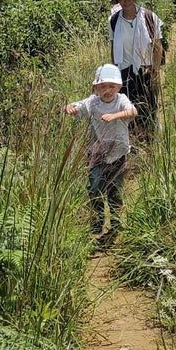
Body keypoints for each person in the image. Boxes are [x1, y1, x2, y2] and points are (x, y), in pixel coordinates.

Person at [64, 63, 136, 240]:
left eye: (112, 86)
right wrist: (69, 108)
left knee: (115, 191)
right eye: (103, 86)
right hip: (97, 154)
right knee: (94, 188)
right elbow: (76, 107)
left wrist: (115, 116)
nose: (107, 90)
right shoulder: (93, 102)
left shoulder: (121, 100)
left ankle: (117, 227)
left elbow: (133, 111)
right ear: (96, 88)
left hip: (118, 154)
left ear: (119, 86)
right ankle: (96, 225)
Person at [108, 0, 164, 140]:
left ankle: (150, 138)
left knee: (148, 105)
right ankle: (132, 140)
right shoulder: (114, 21)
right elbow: (113, 47)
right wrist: (114, 72)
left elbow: (157, 46)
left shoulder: (148, 17)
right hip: (124, 70)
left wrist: (155, 70)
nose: (126, 1)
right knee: (128, 106)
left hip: (145, 69)